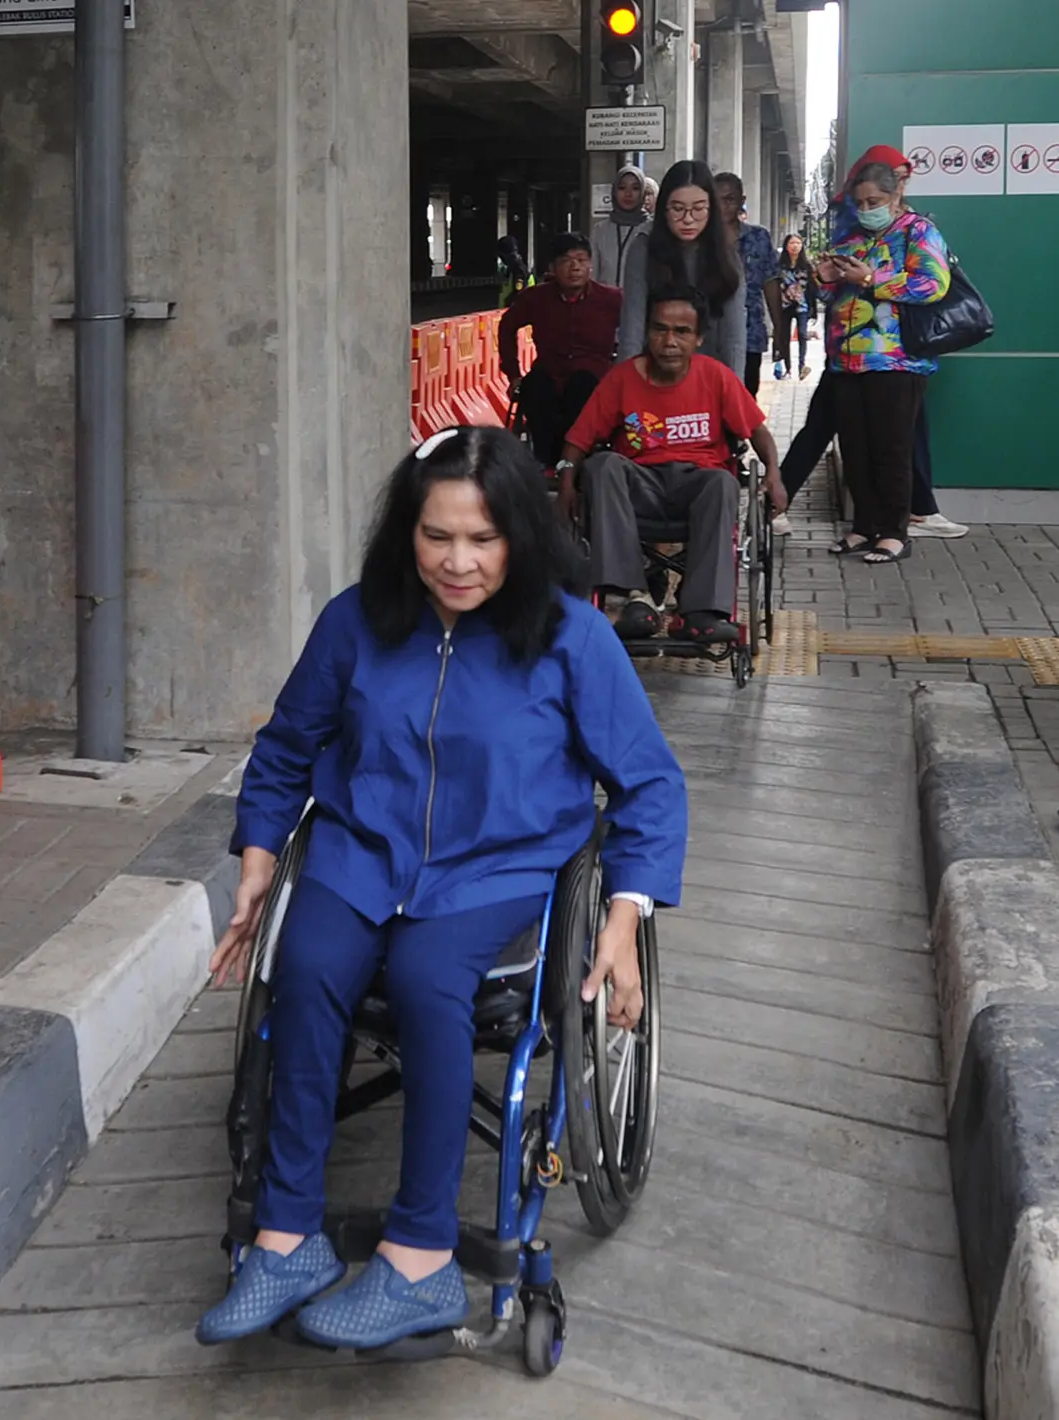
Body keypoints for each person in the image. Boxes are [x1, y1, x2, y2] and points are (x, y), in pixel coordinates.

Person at [196, 425, 688, 1351]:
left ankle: (420, 1259)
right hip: (360, 849)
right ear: (406, 535)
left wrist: (626, 913)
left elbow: (650, 785)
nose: (458, 562)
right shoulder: (356, 620)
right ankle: (286, 1234)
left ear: (519, 538)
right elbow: (286, 746)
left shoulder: (570, 638)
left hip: (495, 865)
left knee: (428, 985)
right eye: (437, 538)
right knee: (304, 967)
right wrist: (260, 855)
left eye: (483, 539)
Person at [558, 292, 786, 643]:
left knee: (723, 483)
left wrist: (773, 471)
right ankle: (632, 597)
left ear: (698, 338)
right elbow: (577, 442)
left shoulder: (716, 376)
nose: (669, 341)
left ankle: (700, 612)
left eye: (681, 331)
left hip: (697, 486)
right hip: (639, 487)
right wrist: (566, 482)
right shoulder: (621, 379)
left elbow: (757, 431)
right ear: (647, 332)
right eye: (660, 329)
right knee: (602, 465)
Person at [814, 157, 950, 563]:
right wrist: (825, 279)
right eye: (860, 202)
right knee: (855, 448)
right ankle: (864, 526)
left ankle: (894, 531)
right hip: (846, 361)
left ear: (896, 196)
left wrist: (871, 280)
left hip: (895, 362)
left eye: (875, 200)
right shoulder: (850, 238)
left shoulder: (918, 232)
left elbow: (932, 284)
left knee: (891, 448)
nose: (867, 209)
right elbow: (827, 297)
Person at [500, 234, 625, 466]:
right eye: (566, 260)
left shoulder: (612, 299)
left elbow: (636, 329)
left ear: (591, 264)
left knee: (583, 387)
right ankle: (547, 462)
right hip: (549, 371)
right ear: (553, 267)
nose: (574, 267)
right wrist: (513, 374)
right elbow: (506, 327)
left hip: (593, 376)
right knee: (535, 388)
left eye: (581, 260)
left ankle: (576, 461)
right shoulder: (536, 298)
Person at [617, 161, 746, 379]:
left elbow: (733, 337)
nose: (688, 219)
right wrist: (627, 388)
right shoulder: (644, 249)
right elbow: (632, 327)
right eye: (677, 209)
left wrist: (734, 395)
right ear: (663, 209)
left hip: (709, 377)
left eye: (698, 209)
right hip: (656, 377)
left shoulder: (726, 255)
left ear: (711, 209)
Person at [714, 172, 778, 395]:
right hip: (710, 335)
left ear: (742, 201)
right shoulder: (701, 239)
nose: (723, 206)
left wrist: (779, 330)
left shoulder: (759, 238)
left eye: (729, 199)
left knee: (745, 400)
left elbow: (770, 284)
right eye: (717, 199)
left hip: (750, 333)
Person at [590, 163, 651, 287]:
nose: (628, 194)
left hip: (640, 303)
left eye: (635, 188)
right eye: (622, 188)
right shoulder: (600, 230)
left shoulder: (651, 229)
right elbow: (593, 274)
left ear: (643, 193)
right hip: (604, 303)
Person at [771, 232, 817, 383]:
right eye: (792, 243)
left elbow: (812, 289)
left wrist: (813, 309)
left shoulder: (806, 266)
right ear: (786, 246)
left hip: (802, 306)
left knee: (802, 335)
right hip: (784, 305)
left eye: (798, 243)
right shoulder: (779, 266)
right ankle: (788, 367)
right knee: (784, 337)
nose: (795, 246)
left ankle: (802, 366)